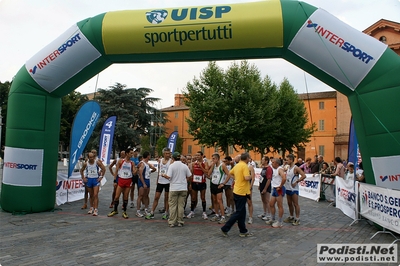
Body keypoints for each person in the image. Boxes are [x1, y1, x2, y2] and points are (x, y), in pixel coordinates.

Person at [221, 152, 253, 237]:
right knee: (239, 212)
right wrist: (251, 176)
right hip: (242, 192)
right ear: (246, 158)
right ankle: (225, 228)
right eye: (249, 158)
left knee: (242, 212)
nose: (249, 159)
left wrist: (236, 178)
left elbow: (230, 173)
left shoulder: (237, 165)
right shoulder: (245, 166)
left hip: (237, 190)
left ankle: (243, 230)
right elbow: (246, 178)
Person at [162, 152, 192, 227]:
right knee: (181, 206)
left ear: (173, 158)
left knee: (173, 206)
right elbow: (190, 176)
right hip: (183, 188)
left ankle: (172, 221)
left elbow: (168, 176)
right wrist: (185, 181)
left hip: (174, 188)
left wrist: (163, 175)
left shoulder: (172, 166)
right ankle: (180, 221)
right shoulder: (184, 166)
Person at [108, 148, 136, 219]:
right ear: (127, 153)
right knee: (117, 196)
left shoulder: (132, 163)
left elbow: (134, 172)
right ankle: (115, 210)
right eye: (131, 153)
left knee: (125, 197)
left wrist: (137, 168)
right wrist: (115, 181)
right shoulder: (121, 161)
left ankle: (124, 211)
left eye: (132, 153)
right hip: (121, 179)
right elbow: (116, 171)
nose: (132, 155)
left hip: (128, 180)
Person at [145, 148, 172, 220]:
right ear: (163, 154)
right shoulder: (160, 161)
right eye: (166, 153)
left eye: (168, 153)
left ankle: (166, 212)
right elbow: (159, 170)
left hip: (168, 182)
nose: (167, 155)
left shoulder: (171, 161)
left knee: (166, 198)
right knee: (156, 197)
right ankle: (152, 212)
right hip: (160, 181)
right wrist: (157, 179)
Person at [80, 152, 106, 216]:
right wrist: (83, 177)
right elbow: (81, 170)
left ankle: (96, 209)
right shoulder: (86, 164)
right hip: (89, 180)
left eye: (92, 157)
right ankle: (91, 207)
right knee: (91, 195)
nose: (91, 158)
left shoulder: (97, 162)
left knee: (95, 194)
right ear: (88, 157)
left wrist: (101, 177)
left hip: (95, 180)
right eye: (90, 157)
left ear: (94, 157)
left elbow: (104, 169)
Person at [283, 154, 306, 226]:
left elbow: (304, 175)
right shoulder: (288, 167)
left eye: (287, 160)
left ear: (291, 160)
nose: (286, 161)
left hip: (294, 189)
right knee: (289, 203)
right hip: (288, 187)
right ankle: (291, 216)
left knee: (295, 204)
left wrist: (297, 181)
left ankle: (297, 218)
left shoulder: (296, 168)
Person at [208, 153, 231, 224]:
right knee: (214, 200)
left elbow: (229, 175)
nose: (212, 160)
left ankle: (223, 216)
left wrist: (223, 183)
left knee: (219, 200)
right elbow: (209, 174)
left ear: (217, 159)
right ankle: (216, 214)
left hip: (219, 185)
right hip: (213, 184)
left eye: (214, 158)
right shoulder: (213, 165)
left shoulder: (222, 165)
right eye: (212, 159)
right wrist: (212, 165)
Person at [186, 151, 209, 220]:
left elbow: (206, 171)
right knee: (193, 198)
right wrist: (190, 183)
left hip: (202, 182)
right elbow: (191, 173)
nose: (197, 156)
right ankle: (192, 211)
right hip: (194, 182)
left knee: (203, 197)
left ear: (202, 156)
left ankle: (204, 212)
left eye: (198, 155)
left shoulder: (205, 163)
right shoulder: (193, 163)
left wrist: (201, 165)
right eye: (196, 155)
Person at [265, 158, 286, 228]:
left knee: (280, 205)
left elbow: (284, 178)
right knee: (271, 204)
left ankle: (279, 222)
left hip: (278, 189)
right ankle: (272, 218)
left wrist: (280, 186)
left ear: (277, 163)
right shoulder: (274, 169)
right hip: (274, 188)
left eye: (273, 162)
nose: (272, 163)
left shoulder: (280, 169)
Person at [136, 151, 157, 217]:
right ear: (148, 156)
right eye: (149, 155)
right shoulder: (142, 164)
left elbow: (154, 169)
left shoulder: (147, 163)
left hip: (147, 180)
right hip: (143, 180)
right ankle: (138, 211)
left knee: (146, 195)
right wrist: (143, 183)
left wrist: (150, 171)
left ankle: (146, 209)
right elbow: (140, 174)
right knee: (140, 196)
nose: (150, 157)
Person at [258, 156, 272, 221]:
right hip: (262, 185)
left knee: (267, 200)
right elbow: (261, 177)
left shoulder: (269, 169)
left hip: (266, 186)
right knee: (263, 200)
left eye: (263, 160)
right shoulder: (264, 168)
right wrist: (259, 185)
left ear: (266, 161)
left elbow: (269, 179)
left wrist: (265, 188)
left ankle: (269, 215)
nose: (262, 161)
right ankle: (264, 212)